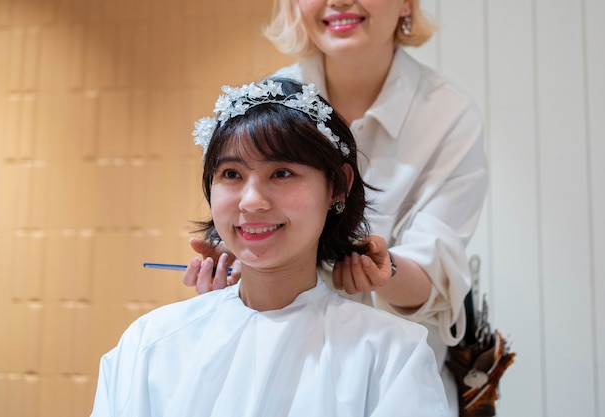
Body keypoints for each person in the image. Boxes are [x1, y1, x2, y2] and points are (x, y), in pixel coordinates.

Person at [182, 1, 489, 415]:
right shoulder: (271, 101)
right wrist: (239, 263)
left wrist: (381, 270)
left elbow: (436, 271)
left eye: (282, 173)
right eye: (235, 174)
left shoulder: (448, 116)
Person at [90, 78, 450, 417]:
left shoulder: (391, 354)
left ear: (338, 186)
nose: (251, 201)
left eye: (281, 173)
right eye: (231, 174)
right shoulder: (150, 343)